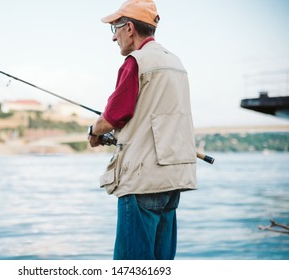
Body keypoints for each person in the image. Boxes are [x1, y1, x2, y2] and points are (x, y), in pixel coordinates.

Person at [87, 0, 197, 260]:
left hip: (142, 181)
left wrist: (93, 131)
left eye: (115, 28)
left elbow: (114, 115)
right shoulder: (175, 62)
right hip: (172, 181)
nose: (114, 37)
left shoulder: (136, 62)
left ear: (130, 29)